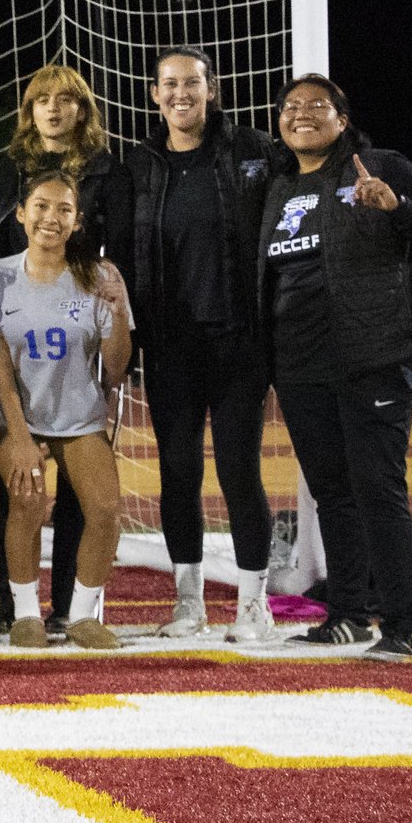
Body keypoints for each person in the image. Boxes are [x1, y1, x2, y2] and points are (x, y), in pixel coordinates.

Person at [258, 74, 412, 662]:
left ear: (342, 120)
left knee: (378, 489)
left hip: (372, 357)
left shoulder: (381, 166)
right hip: (299, 365)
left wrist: (397, 206)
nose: (301, 114)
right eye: (290, 107)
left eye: (317, 106)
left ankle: (403, 625)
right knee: (331, 494)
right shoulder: (278, 187)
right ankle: (346, 616)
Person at [125, 47, 284, 639]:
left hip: (239, 343)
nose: (180, 93)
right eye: (169, 84)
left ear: (211, 88)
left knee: (240, 470)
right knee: (178, 472)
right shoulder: (139, 166)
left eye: (191, 82)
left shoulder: (252, 153)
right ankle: (188, 601)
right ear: (154, 94)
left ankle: (252, 602)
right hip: (170, 349)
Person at [0, 64, 135, 632]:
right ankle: (23, 614)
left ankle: (84, 615)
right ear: (20, 214)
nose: (50, 218)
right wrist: (17, 435)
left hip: (77, 413)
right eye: (40, 208)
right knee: (24, 502)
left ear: (77, 220)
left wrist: (118, 313)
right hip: (18, 414)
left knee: (106, 512)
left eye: (63, 210)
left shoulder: (99, 276)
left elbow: (115, 371)